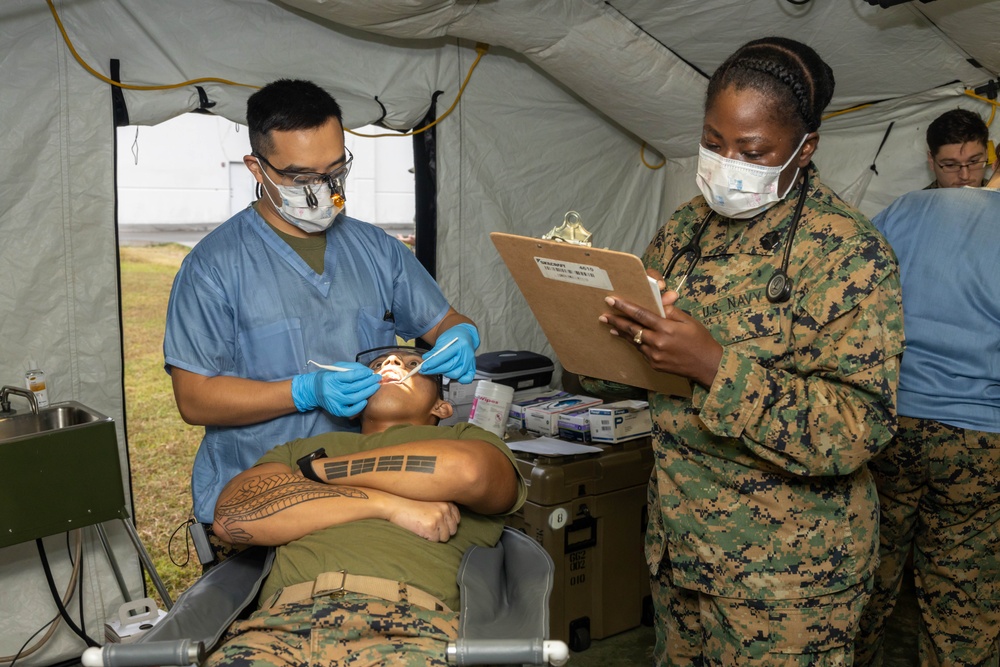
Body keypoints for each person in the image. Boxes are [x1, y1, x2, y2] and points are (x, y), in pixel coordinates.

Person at [598, 37, 904, 663]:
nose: (725, 162)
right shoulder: (684, 231)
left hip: (790, 580)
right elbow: (641, 376)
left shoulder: (847, 254)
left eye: (752, 150)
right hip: (682, 552)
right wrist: (614, 332)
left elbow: (857, 427)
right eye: (712, 143)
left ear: (804, 148)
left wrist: (713, 365)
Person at [163, 79, 480, 526]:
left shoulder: (376, 250)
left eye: (335, 170)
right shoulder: (213, 267)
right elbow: (195, 400)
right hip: (266, 493)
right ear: (257, 168)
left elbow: (443, 320)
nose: (325, 188)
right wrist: (303, 392)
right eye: (302, 177)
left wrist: (459, 335)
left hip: (373, 490)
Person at [206, 345, 527, 667]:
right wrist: (389, 505)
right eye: (378, 364)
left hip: (412, 627)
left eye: (414, 363)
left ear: (442, 407)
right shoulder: (301, 448)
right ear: (354, 406)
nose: (391, 362)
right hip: (278, 625)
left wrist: (314, 472)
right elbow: (234, 515)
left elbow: (467, 473)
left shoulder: (464, 437)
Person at [853, 161, 1000, 665]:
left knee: (867, 570)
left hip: (894, 420)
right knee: (964, 592)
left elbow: (855, 294)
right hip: (982, 436)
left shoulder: (908, 208)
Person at [924, 108, 991, 190]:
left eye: (973, 161)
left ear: (987, 154)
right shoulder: (915, 202)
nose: (965, 176)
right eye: (950, 165)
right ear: (931, 161)